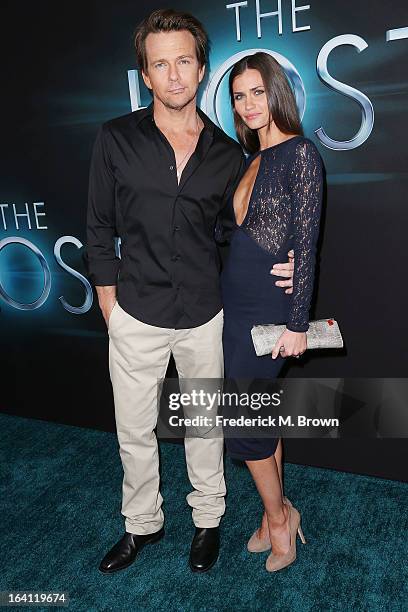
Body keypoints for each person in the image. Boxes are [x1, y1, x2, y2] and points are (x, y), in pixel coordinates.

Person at [84, 9, 295, 574]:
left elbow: (242, 233)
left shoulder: (229, 153)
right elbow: (98, 226)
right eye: (160, 64)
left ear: (201, 70)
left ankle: (208, 522)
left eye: (184, 61)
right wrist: (108, 300)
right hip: (135, 310)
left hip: (205, 313)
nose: (174, 75)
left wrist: (291, 263)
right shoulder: (115, 139)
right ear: (145, 76)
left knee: (206, 427)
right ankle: (142, 526)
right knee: (134, 431)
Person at [221, 52, 324, 572]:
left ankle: (279, 520)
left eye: (257, 92)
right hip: (233, 304)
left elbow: (306, 244)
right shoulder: (250, 157)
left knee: (243, 423)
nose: (248, 103)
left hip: (270, 308)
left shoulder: (300, 154)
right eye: (239, 96)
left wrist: (298, 323)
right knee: (258, 413)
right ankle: (276, 510)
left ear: (277, 92)